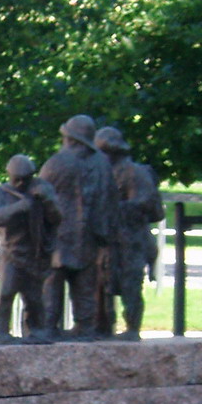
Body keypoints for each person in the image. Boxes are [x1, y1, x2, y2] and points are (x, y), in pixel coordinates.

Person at [37, 115, 114, 340]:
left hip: (59, 233)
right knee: (85, 282)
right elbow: (111, 199)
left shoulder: (57, 163)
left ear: (71, 139)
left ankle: (48, 326)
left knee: (52, 280)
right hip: (90, 234)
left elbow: (39, 196)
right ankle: (85, 327)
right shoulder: (103, 164)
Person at [94, 126, 163, 340]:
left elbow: (147, 203)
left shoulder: (135, 172)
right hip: (110, 238)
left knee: (130, 284)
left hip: (131, 239)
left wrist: (115, 208)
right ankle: (103, 326)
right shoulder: (106, 172)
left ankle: (132, 328)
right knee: (103, 283)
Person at [0, 154, 59, 343]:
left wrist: (48, 201)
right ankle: (1, 331)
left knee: (34, 297)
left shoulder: (43, 190)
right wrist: (20, 206)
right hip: (10, 253)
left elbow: (57, 218)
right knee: (6, 292)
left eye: (25, 179)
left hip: (34, 254)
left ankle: (36, 331)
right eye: (16, 179)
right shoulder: (0, 193)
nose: (20, 183)